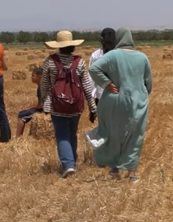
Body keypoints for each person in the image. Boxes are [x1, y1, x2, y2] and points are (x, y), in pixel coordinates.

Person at [88, 27, 152, 183]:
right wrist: (142, 93)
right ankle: (132, 174)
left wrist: (107, 83)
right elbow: (148, 83)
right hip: (138, 100)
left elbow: (93, 68)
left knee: (114, 132)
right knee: (135, 135)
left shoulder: (112, 55)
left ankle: (114, 168)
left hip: (115, 99)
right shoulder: (142, 57)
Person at [40, 30, 98, 178]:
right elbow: (86, 86)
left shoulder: (50, 61)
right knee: (72, 133)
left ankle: (68, 164)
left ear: (58, 46)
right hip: (75, 106)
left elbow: (44, 85)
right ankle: (73, 161)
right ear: (72, 45)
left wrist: (45, 103)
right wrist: (92, 107)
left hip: (57, 105)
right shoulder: (79, 62)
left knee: (62, 135)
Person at [88, 28, 117, 105]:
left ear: (102, 39)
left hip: (101, 95)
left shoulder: (96, 55)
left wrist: (93, 95)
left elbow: (91, 77)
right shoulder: (120, 54)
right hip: (118, 95)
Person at [16, 67, 44, 136]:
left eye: (33, 75)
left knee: (21, 115)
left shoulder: (41, 88)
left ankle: (18, 138)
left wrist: (31, 107)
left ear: (39, 77)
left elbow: (41, 105)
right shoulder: (43, 86)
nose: (31, 77)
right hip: (47, 108)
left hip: (44, 110)